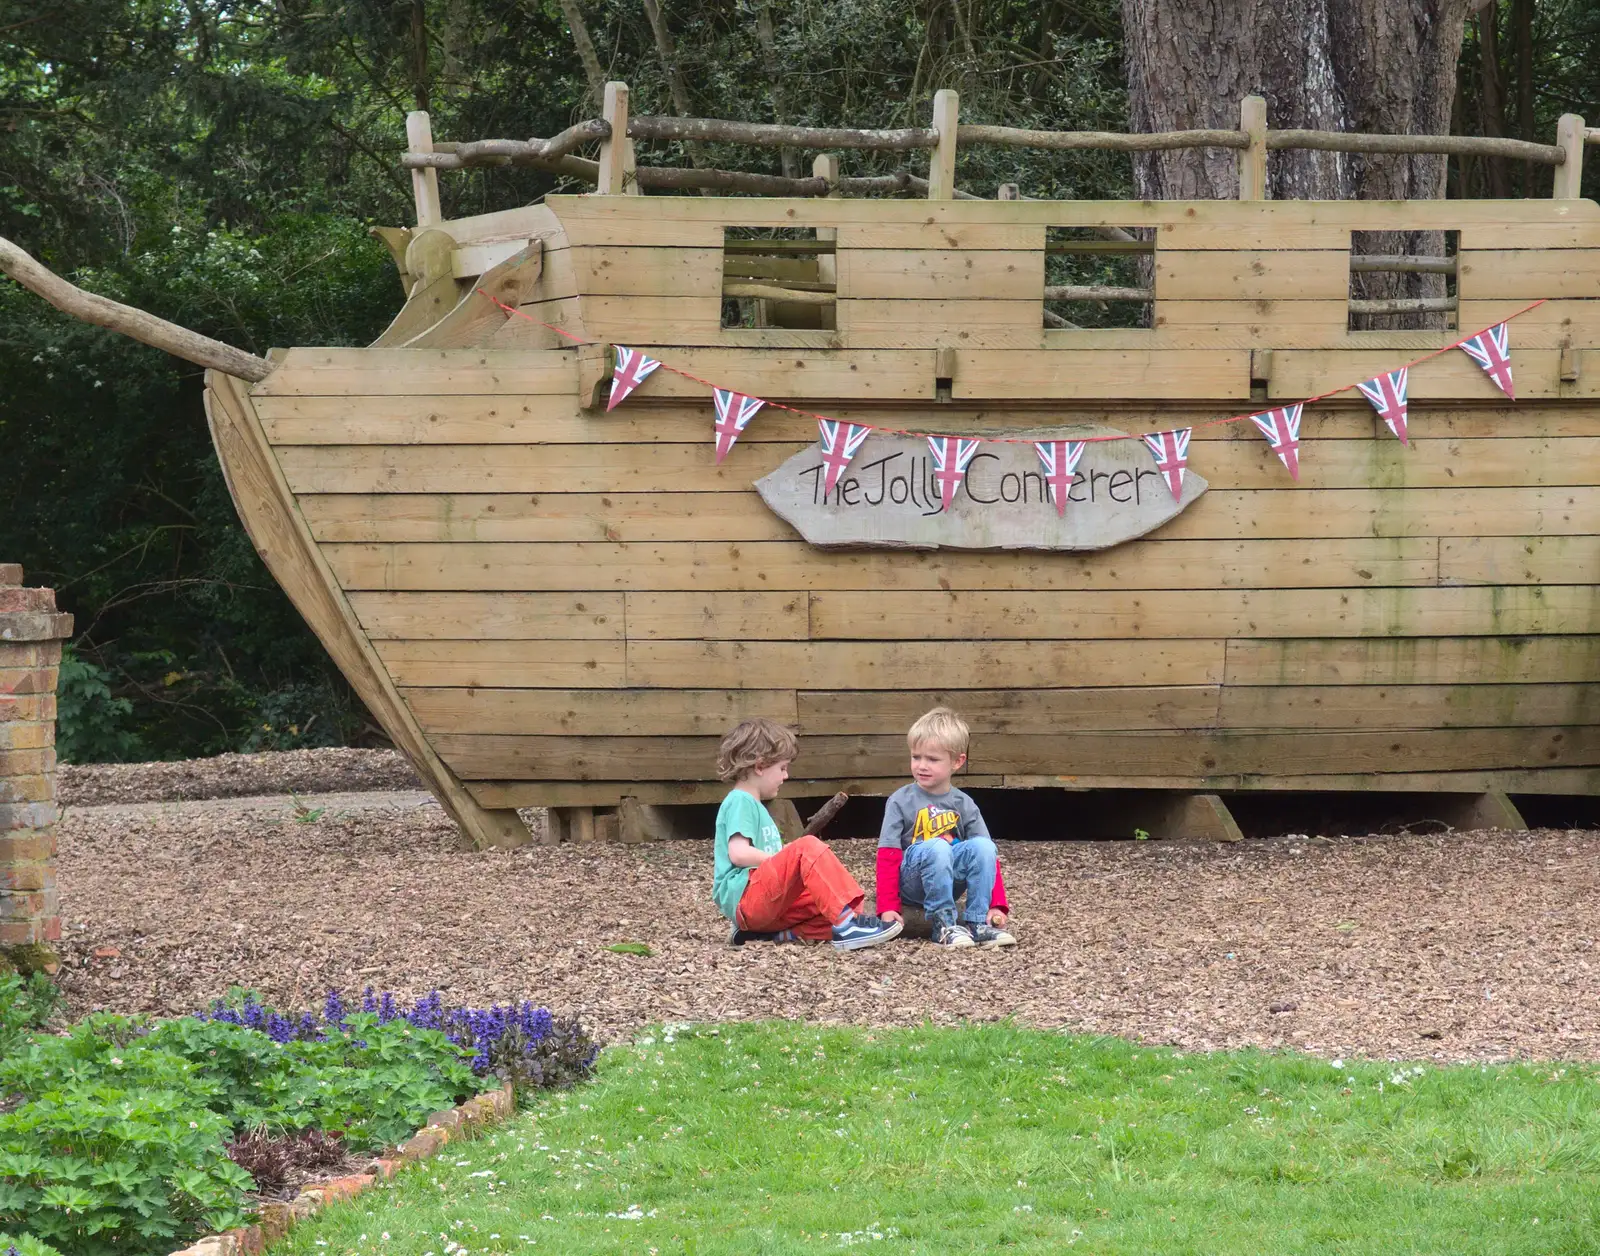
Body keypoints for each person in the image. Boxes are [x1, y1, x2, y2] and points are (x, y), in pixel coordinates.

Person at [713, 717, 902, 951]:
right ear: (760, 767)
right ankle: (848, 927)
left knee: (830, 902)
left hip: (762, 909)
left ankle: (771, 935)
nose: (786, 776)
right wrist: (785, 861)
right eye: (782, 768)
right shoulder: (740, 800)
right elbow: (738, 853)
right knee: (807, 847)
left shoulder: (754, 805)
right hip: (747, 898)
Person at [875, 707, 1016, 948]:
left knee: (983, 846)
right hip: (913, 881)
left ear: (957, 762)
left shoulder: (964, 804)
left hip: (949, 880)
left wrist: (998, 904)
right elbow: (888, 855)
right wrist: (887, 906)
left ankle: (977, 923)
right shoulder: (900, 800)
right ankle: (943, 925)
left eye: (932, 759)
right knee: (937, 846)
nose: (921, 765)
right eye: (916, 757)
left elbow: (988, 858)